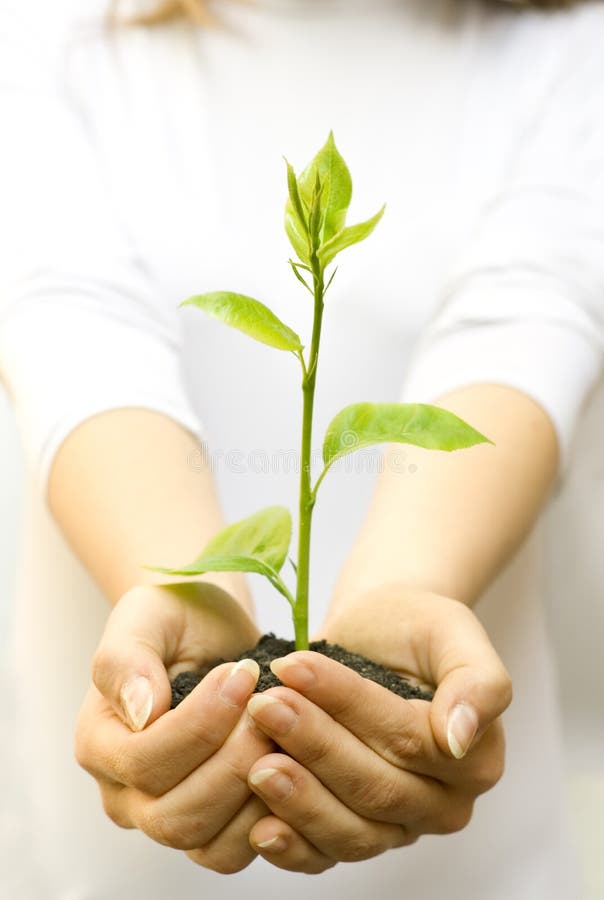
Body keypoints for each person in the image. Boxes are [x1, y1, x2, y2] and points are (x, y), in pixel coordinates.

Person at [0, 0, 603, 897]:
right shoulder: (48, 28)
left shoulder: (570, 41)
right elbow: (72, 321)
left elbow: (524, 319)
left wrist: (408, 594)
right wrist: (180, 592)